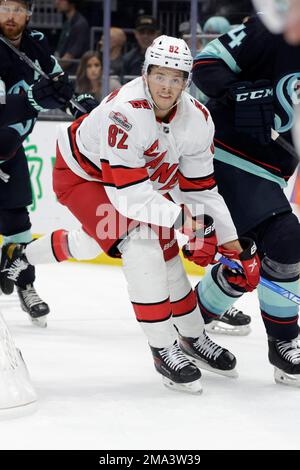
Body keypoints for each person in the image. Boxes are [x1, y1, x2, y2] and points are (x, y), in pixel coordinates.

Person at [0, 35, 261, 393]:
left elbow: (202, 189)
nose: (166, 87)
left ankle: (20, 255)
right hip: (83, 175)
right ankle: (163, 346)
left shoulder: (198, 119)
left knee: (100, 243)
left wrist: (232, 245)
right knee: (142, 244)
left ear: (187, 82)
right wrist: (188, 224)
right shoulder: (125, 111)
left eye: (176, 78)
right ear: (144, 73)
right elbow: (129, 197)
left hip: (141, 180)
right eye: (159, 76)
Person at [193, 14, 300, 386]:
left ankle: (189, 327)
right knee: (285, 238)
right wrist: (237, 92)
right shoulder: (274, 28)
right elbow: (206, 64)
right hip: (226, 154)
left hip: (273, 173)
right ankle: (284, 342)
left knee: (250, 258)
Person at [0, 0, 87, 327]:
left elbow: (58, 87)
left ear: (29, 13)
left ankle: (25, 284)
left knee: (17, 220)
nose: (10, 16)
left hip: (10, 149)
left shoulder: (36, 43)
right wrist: (33, 99)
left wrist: (78, 108)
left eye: (17, 9)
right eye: (4, 7)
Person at [54, 0, 89, 75]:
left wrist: (51, 71)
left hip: (74, 74)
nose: (57, 2)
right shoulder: (67, 23)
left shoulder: (80, 25)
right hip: (64, 71)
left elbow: (69, 58)